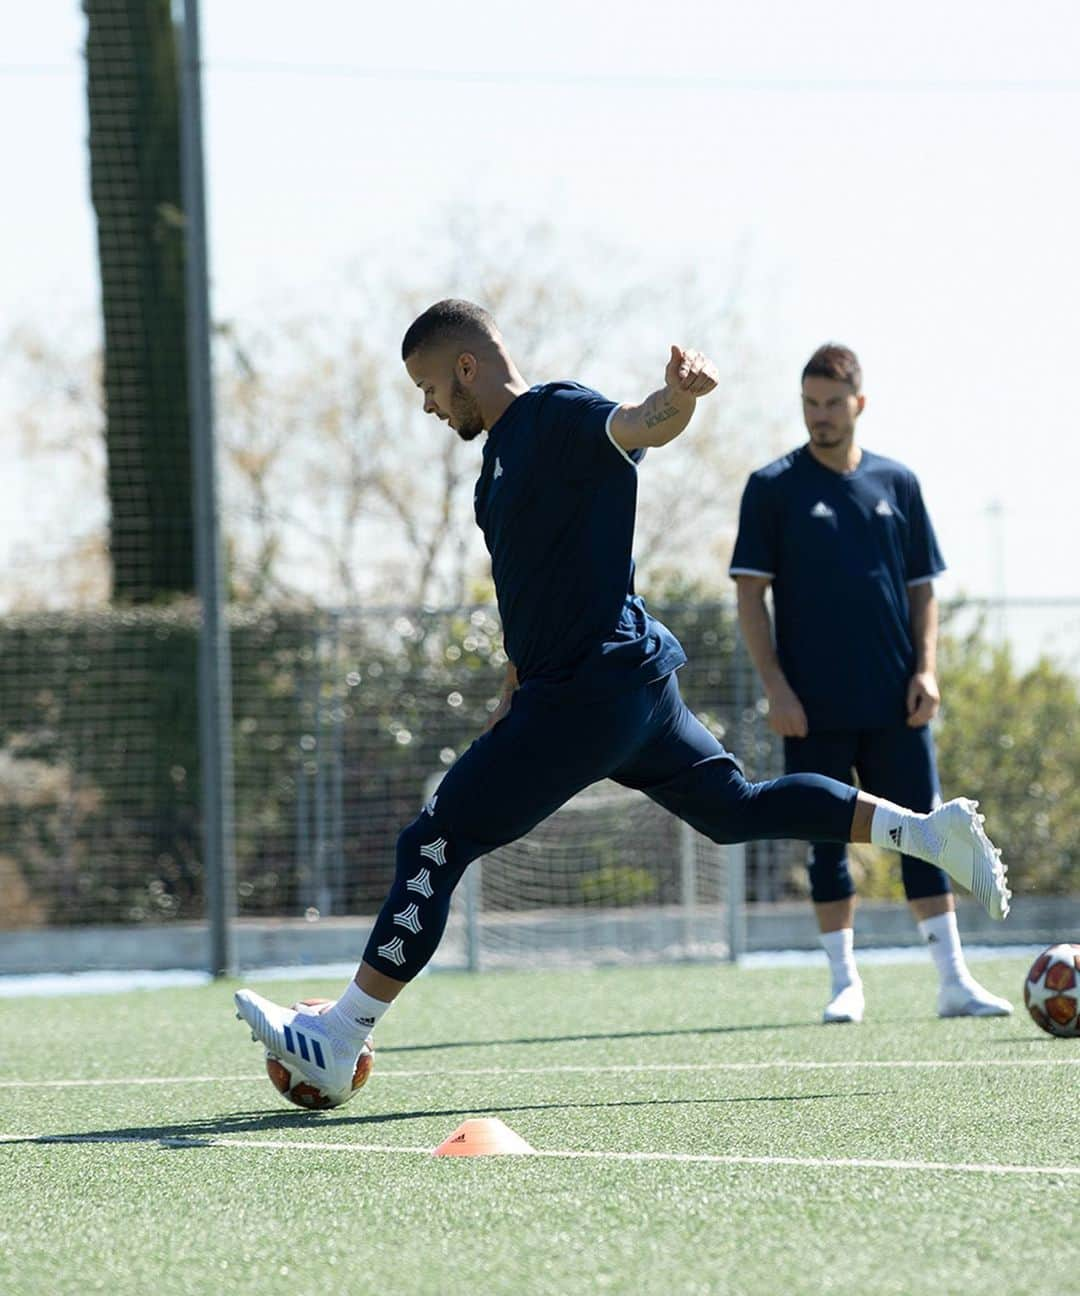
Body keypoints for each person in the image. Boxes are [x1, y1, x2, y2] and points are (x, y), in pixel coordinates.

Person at [235, 302, 1009, 1095]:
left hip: (587, 696)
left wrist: (681, 397)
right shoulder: (493, 468)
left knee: (434, 841)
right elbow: (532, 598)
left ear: (466, 367)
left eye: (429, 386)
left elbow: (642, 422)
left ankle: (340, 1033)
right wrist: (511, 687)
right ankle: (924, 831)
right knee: (736, 807)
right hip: (632, 689)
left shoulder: (555, 413)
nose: (429, 406)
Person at [730, 343, 1012, 1024]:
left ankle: (953, 980)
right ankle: (843, 981)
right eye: (808, 403)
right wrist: (777, 688)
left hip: (896, 703)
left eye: (831, 403)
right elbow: (749, 598)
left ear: (859, 403)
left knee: (928, 830)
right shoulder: (773, 487)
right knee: (826, 839)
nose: (819, 416)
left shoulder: (898, 483)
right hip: (812, 707)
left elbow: (923, 591)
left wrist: (927, 669)